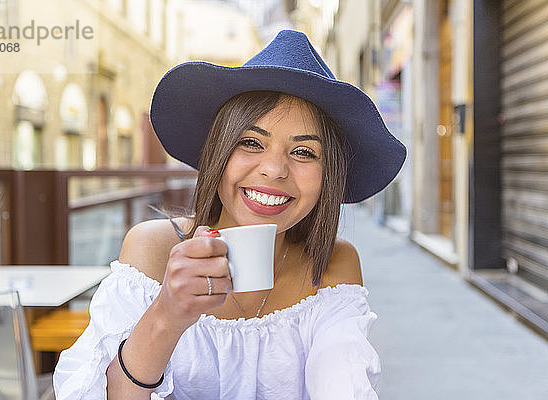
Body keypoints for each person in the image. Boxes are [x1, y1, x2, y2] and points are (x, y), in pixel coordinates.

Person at [53, 29, 406, 399]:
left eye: (303, 152)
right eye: (251, 142)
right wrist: (168, 313)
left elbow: (343, 388)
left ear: (327, 175)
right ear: (217, 154)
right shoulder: (152, 250)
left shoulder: (335, 264)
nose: (274, 170)